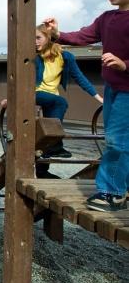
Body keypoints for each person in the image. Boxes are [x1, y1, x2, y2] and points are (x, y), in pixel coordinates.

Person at [44, 0, 129, 212]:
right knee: (117, 139)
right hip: (114, 88)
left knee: (117, 140)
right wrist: (56, 33)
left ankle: (112, 192)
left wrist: (123, 65)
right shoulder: (106, 18)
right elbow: (83, 36)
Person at [33, 23, 102, 178]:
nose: (35, 42)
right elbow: (19, 78)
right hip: (33, 93)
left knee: (48, 127)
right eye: (33, 38)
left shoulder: (66, 57)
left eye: (38, 38)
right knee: (60, 103)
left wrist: (99, 98)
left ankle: (42, 170)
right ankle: (56, 145)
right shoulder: (33, 56)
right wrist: (9, 98)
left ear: (49, 38)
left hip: (51, 97)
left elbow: (80, 78)